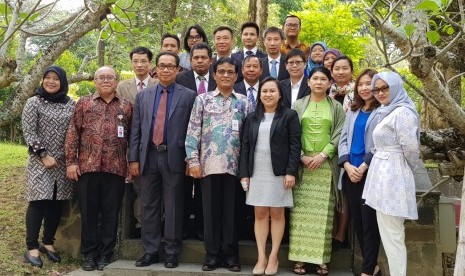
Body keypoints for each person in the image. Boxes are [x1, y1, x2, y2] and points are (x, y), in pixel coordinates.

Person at [129, 52, 197, 268]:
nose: (166, 70)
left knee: (174, 205)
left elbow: (192, 130)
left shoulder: (189, 95)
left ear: (178, 69)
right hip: (148, 155)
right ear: (155, 69)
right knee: (149, 204)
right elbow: (136, 130)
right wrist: (133, 159)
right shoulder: (144, 96)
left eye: (170, 66)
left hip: (175, 156)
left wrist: (190, 160)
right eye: (162, 66)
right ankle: (150, 251)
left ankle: (171, 251)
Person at [65, 66, 132, 271]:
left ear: (117, 81)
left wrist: (131, 164)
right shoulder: (84, 103)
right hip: (88, 167)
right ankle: (90, 254)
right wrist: (71, 162)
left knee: (111, 213)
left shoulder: (127, 107)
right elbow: (72, 133)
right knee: (89, 213)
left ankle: (105, 254)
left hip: (116, 169)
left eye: (110, 78)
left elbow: (132, 138)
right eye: (101, 78)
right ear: (94, 81)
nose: (105, 81)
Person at [363, 71, 429, 276]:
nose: (380, 93)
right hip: (382, 175)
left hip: (392, 176)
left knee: (393, 234)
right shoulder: (385, 110)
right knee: (388, 233)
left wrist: (401, 170)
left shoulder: (403, 113)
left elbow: (411, 150)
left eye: (385, 88)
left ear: (396, 87)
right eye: (376, 89)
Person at [186, 57, 249, 272]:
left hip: (235, 167)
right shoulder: (202, 100)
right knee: (210, 213)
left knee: (233, 214)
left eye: (230, 72)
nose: (225, 75)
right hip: (208, 166)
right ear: (214, 75)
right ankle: (212, 256)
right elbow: (193, 131)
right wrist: (193, 161)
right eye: (221, 71)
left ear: (236, 75)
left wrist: (247, 168)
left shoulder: (244, 101)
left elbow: (248, 137)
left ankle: (231, 256)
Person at [239, 77, 301, 276]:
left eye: (272, 91)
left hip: (279, 172)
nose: (268, 94)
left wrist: (291, 172)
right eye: (264, 91)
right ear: (259, 94)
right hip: (257, 171)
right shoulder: (252, 117)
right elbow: (245, 146)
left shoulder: (289, 116)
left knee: (277, 214)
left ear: (280, 94)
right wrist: (245, 174)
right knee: (260, 214)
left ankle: (273, 256)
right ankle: (261, 257)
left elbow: (295, 145)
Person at [289, 67, 345, 276]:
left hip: (325, 166)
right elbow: (292, 133)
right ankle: (300, 259)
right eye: (315, 79)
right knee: (300, 215)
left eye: (323, 79)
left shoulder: (336, 107)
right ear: (309, 82)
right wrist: (302, 155)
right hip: (303, 166)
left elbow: (340, 132)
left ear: (329, 83)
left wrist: (324, 154)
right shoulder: (298, 105)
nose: (319, 82)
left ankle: (322, 261)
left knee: (324, 215)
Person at [21, 66, 75, 268]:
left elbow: (74, 130)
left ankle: (48, 242)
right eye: (47, 78)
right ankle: (32, 246)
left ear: (63, 82)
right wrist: (43, 155)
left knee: (56, 202)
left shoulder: (70, 104)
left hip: (62, 161)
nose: (51, 82)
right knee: (38, 201)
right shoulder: (33, 102)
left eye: (56, 79)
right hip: (39, 161)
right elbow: (29, 132)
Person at [338, 69, 381, 276]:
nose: (365, 88)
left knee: (369, 223)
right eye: (361, 84)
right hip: (350, 173)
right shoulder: (353, 110)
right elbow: (343, 140)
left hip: (370, 173)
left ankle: (367, 270)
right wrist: (346, 165)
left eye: (369, 84)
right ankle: (373, 267)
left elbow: (380, 145)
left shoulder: (383, 111)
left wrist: (363, 166)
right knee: (357, 221)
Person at [176, 42, 216, 241]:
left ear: (210, 59)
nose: (200, 61)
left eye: (204, 57)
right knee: (183, 188)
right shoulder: (180, 80)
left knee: (204, 190)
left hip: (212, 145)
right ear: (190, 60)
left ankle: (202, 227)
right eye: (196, 58)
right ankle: (183, 228)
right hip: (184, 142)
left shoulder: (219, 79)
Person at [117, 46, 157, 238]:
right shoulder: (122, 87)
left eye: (143, 61)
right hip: (129, 142)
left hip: (153, 144)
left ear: (150, 63)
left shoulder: (158, 84)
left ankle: (154, 223)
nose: (139, 65)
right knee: (136, 186)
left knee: (151, 186)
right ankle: (140, 224)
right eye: (135, 61)